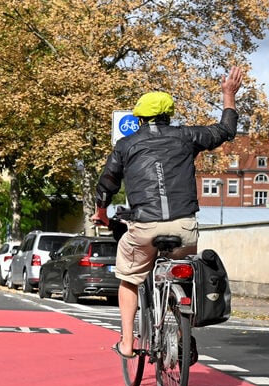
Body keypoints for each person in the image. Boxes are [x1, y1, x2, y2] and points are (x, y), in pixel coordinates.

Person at [92, 67, 244, 359]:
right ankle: (183, 326)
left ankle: (126, 342)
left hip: (144, 227)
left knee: (129, 278)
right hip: (184, 227)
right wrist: (228, 94)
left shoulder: (126, 145)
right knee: (183, 272)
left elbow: (107, 183)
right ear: (168, 116)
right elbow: (225, 131)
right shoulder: (186, 136)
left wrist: (101, 211)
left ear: (138, 118)